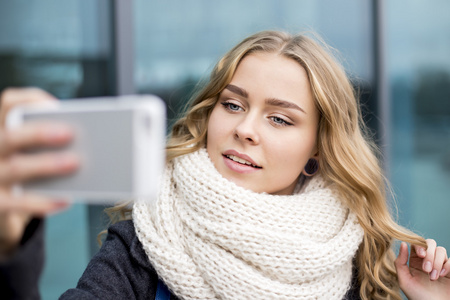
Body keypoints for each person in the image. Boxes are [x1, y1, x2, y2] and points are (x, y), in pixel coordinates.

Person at [0, 31, 449, 300]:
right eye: (233, 104)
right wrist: (9, 250)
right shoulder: (147, 238)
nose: (246, 128)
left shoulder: (352, 266)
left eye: (279, 118)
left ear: (318, 149)